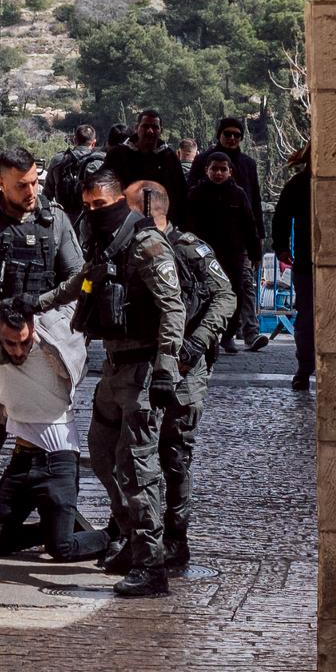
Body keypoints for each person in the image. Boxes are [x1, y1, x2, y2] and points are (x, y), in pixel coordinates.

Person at [13, 169, 188, 598]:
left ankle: (152, 563)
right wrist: (39, 302)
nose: (94, 212)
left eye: (101, 206)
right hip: (113, 367)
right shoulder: (105, 243)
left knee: (138, 467)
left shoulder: (147, 244)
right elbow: (83, 282)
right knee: (104, 456)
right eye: (88, 206)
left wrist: (166, 368)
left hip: (144, 369)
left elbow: (173, 308)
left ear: (119, 203)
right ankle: (130, 539)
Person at [0, 148, 84, 538]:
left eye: (34, 182)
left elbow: (77, 277)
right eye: (21, 185)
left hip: (40, 349)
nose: (31, 191)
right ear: (2, 183)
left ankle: (59, 522)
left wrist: (43, 308)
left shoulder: (56, 221)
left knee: (48, 433)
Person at [125, 180, 235, 574]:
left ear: (149, 208)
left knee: (174, 455)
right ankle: (137, 536)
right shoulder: (130, 247)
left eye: (127, 206)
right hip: (145, 367)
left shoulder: (188, 247)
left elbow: (226, 297)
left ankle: (175, 538)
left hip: (185, 370)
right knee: (134, 457)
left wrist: (195, 344)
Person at [0, 307, 109, 563]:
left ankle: (114, 535)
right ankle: (55, 528)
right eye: (11, 343)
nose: (17, 351)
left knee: (62, 549)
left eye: (24, 342)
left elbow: (74, 317)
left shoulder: (54, 350)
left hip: (57, 460)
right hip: (22, 461)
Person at [189, 117, 266, 346]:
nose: (232, 139)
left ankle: (244, 332)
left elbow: (255, 202)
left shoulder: (247, 164)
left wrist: (257, 240)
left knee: (242, 286)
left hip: (237, 241)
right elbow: (189, 203)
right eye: (227, 134)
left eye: (237, 135)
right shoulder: (201, 164)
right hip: (206, 243)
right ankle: (208, 333)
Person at [272, 143, 313, 391]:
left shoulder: (298, 183)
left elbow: (281, 217)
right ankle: (304, 368)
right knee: (306, 319)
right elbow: (282, 217)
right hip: (307, 263)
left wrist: (282, 248)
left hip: (309, 261)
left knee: (306, 319)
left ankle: (305, 369)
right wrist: (282, 248)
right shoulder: (298, 184)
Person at [102, 109, 188, 228]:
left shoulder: (169, 157)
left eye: (155, 127)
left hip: (161, 224)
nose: (150, 131)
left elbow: (180, 193)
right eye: (145, 126)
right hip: (124, 224)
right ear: (137, 128)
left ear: (161, 131)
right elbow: (103, 184)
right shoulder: (118, 154)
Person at [43, 125, 104, 219]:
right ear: (94, 143)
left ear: (75, 140)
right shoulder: (99, 163)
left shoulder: (58, 160)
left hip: (63, 219)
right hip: (89, 221)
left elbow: (47, 194)